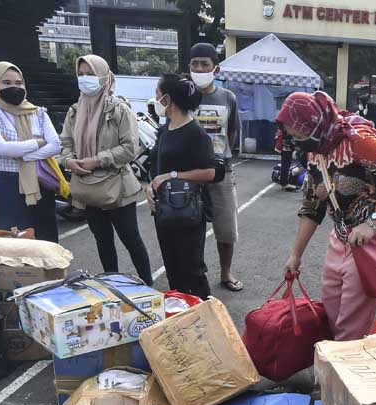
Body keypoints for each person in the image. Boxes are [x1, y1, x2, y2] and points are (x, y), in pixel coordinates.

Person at [278, 91, 376, 341]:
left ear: (314, 124)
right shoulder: (316, 148)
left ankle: (339, 377)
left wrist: (373, 222)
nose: (297, 142)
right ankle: (331, 374)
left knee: (350, 328)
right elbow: (312, 205)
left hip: (369, 241)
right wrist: (295, 256)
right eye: (292, 136)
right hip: (339, 239)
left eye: (299, 134)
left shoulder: (357, 141)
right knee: (330, 315)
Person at [59, 54, 152, 284]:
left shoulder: (119, 109)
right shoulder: (75, 111)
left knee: (131, 239)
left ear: (104, 77)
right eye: (81, 74)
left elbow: (130, 148)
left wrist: (97, 160)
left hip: (117, 187)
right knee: (103, 240)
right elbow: (66, 144)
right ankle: (113, 284)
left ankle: (148, 285)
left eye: (90, 74)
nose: (85, 79)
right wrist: (69, 161)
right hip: (88, 188)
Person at [0, 62, 61, 242]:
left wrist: (24, 156)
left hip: (40, 181)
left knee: (47, 235)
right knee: (16, 236)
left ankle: (51, 271)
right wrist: (37, 142)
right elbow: (1, 147)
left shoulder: (38, 113)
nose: (14, 87)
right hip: (9, 184)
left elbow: (55, 145)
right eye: (6, 83)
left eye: (19, 82)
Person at [148, 74, 216, 299]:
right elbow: (156, 165)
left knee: (192, 269)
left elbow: (210, 172)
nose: (154, 99)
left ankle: (206, 314)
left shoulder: (195, 133)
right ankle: (180, 316)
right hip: (164, 211)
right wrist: (151, 187)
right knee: (173, 268)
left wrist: (172, 176)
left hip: (188, 211)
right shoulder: (165, 128)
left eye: (157, 95)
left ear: (167, 99)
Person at [189, 42, 244, 293]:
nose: (199, 68)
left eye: (205, 64)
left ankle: (226, 272)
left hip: (221, 172)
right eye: (194, 64)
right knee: (189, 224)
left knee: (226, 226)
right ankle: (193, 273)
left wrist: (220, 157)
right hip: (190, 174)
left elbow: (232, 131)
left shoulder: (227, 97)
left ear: (216, 69)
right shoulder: (184, 95)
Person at [275, 125, 297, 190]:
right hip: (287, 147)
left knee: (284, 165)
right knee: (286, 166)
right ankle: (284, 183)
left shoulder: (283, 124)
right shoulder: (287, 125)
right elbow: (289, 138)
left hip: (284, 147)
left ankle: (284, 182)